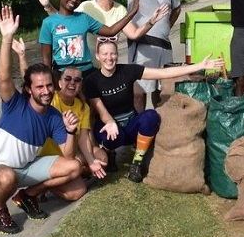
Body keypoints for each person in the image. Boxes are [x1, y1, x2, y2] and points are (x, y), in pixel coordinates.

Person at [0, 6, 82, 234]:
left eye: (48, 85)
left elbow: (68, 157)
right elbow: (3, 76)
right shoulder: (15, 104)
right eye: (39, 87)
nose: (45, 91)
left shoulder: (54, 116)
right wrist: (7, 39)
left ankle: (26, 195)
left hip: (26, 169)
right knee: (7, 177)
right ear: (29, 89)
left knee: (75, 167)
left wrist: (71, 131)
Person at [83, 37, 224, 183]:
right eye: (105, 54)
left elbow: (163, 73)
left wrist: (199, 66)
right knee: (110, 135)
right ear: (98, 56)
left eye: (112, 53)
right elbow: (99, 108)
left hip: (129, 123)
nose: (109, 58)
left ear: (117, 54)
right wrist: (111, 122)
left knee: (151, 116)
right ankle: (110, 152)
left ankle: (137, 162)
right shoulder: (92, 81)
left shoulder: (127, 70)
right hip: (108, 126)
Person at [13, 39, 109, 191]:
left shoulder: (83, 107)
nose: (72, 83)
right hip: (48, 156)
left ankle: (63, 179)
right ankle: (44, 184)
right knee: (77, 186)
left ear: (81, 84)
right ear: (59, 83)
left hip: (70, 152)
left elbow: (84, 139)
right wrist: (22, 55)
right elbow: (30, 81)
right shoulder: (50, 99)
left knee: (101, 158)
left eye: (77, 80)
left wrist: (91, 162)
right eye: (68, 78)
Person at [39, 0, 139, 77]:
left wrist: (132, 12)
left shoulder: (84, 18)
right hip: (62, 74)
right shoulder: (48, 22)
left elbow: (111, 31)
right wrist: (49, 81)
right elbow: (46, 60)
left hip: (86, 73)